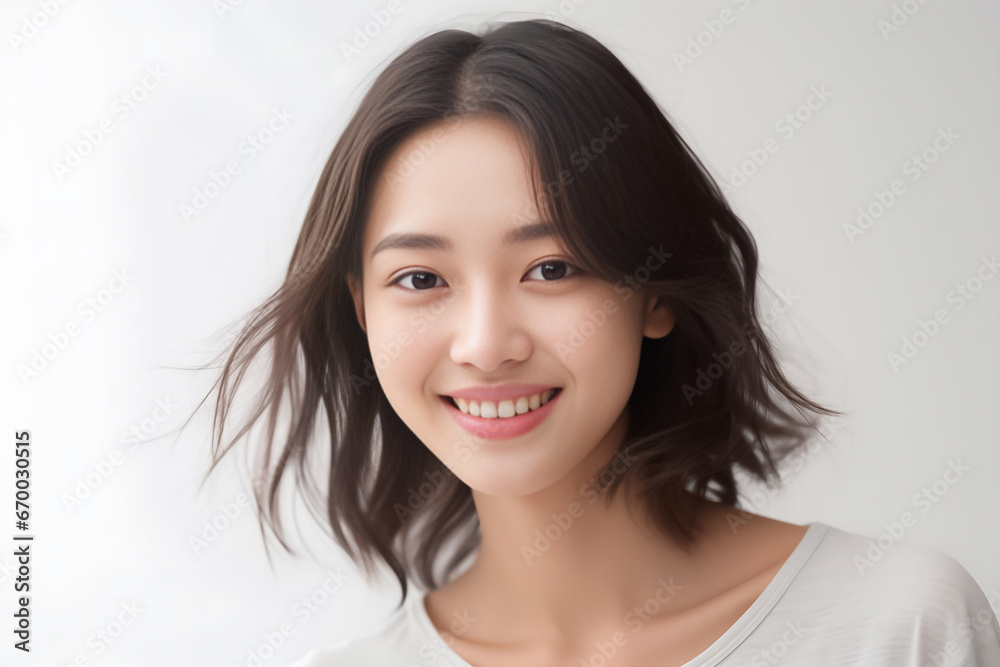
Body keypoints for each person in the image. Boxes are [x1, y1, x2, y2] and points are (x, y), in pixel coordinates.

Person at [197, 18, 1000, 666]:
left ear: (653, 291)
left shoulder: (895, 626)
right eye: (419, 279)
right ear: (362, 310)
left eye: (551, 268)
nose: (484, 344)